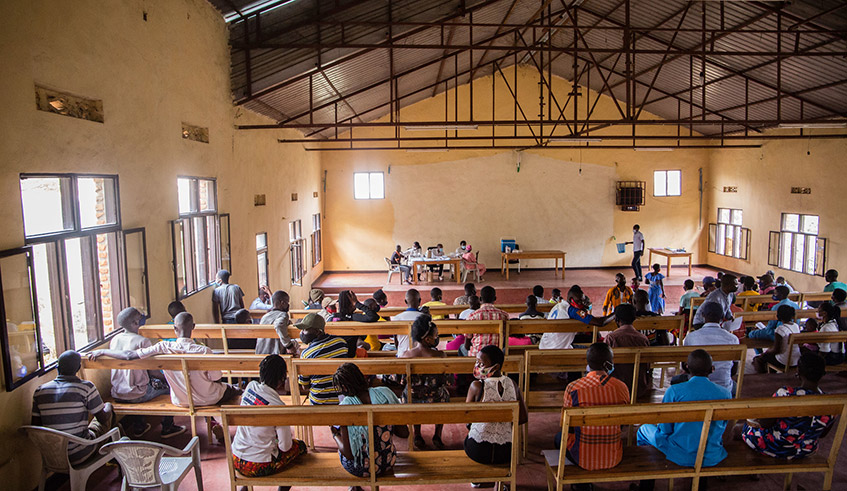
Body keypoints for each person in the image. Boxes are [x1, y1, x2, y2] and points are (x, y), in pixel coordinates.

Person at [89, 312, 242, 443]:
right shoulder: (204, 351)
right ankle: (225, 424)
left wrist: (102, 352)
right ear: (193, 327)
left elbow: (130, 355)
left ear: (174, 329)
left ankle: (214, 422)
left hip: (179, 400)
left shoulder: (163, 346)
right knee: (232, 390)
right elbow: (216, 377)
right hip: (208, 398)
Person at [636, 350, 731, 489]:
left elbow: (665, 429)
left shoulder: (675, 391)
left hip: (681, 454)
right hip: (712, 453)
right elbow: (722, 426)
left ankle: (646, 485)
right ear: (712, 369)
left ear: (686, 367)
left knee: (643, 430)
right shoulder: (725, 393)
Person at [741, 354, 835, 460]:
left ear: (798, 372)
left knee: (742, 428)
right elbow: (822, 434)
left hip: (775, 447)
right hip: (805, 450)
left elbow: (765, 423)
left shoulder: (786, 394)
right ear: (823, 373)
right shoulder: (832, 402)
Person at [107, 307, 183, 439]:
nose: (142, 317)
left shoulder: (115, 340)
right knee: (170, 388)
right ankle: (168, 426)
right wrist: (170, 379)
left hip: (117, 392)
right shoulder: (142, 341)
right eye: (139, 316)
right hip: (137, 394)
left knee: (136, 381)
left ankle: (139, 426)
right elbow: (153, 372)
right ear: (135, 323)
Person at [31, 351, 116, 465]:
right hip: (81, 453)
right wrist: (109, 406)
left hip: (52, 455)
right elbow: (103, 419)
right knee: (109, 414)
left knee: (111, 426)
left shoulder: (40, 391)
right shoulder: (85, 388)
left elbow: (36, 426)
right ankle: (119, 457)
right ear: (78, 368)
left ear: (57, 368)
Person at [231, 355, 307, 482]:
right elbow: (285, 447)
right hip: (259, 464)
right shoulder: (278, 407)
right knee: (300, 447)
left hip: (235, 457)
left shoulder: (250, 387)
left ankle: (245, 488)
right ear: (282, 379)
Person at [559, 343, 630, 480]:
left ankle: (582, 484)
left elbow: (567, 426)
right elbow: (623, 422)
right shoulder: (621, 387)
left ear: (588, 363)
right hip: (614, 456)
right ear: (608, 364)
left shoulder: (573, 388)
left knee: (559, 439)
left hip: (582, 458)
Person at [331, 363, 409, 485]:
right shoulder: (385, 393)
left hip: (361, 468)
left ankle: (353, 486)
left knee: (341, 449)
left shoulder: (345, 407)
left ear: (344, 388)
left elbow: (349, 454)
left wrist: (335, 435)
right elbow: (404, 433)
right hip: (387, 461)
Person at [464, 346, 528, 471]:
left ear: (496, 367)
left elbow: (467, 418)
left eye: (481, 363)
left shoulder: (476, 386)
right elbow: (523, 418)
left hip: (478, 450)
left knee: (468, 439)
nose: (477, 366)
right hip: (506, 451)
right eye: (476, 362)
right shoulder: (513, 385)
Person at [398, 315, 451, 450]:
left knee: (410, 392)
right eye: (436, 335)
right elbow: (447, 381)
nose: (437, 338)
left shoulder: (406, 355)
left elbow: (402, 381)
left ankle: (417, 434)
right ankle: (437, 435)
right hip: (436, 398)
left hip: (412, 399)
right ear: (427, 339)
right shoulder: (440, 356)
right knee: (444, 393)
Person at [682, 302, 740, 394]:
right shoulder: (733, 339)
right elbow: (733, 371)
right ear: (722, 317)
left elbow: (685, 366)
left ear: (703, 315)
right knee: (735, 387)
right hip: (723, 388)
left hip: (697, 387)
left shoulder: (691, 337)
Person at [297, 313, 350, 405]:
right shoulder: (341, 342)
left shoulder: (306, 354)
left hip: (319, 401)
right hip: (343, 399)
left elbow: (305, 386)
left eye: (305, 329)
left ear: (317, 331)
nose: (302, 333)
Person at [541, 285, 613, 350]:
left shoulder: (559, 305)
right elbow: (600, 322)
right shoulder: (573, 311)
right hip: (558, 348)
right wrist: (615, 313)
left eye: (582, 301)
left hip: (544, 345)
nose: (581, 303)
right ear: (571, 300)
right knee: (591, 351)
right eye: (579, 301)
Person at [604, 304, 650, 399]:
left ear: (616, 320)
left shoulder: (611, 338)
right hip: (638, 388)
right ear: (634, 319)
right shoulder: (643, 339)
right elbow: (647, 365)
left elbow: (604, 364)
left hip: (615, 388)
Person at [752, 305, 802, 373]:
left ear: (778, 316)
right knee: (767, 357)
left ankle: (763, 376)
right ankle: (771, 371)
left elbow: (776, 350)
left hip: (783, 361)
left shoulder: (780, 329)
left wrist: (766, 352)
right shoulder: (796, 326)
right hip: (796, 360)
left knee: (759, 359)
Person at [331, 290, 380, 357]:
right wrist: (357, 303)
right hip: (350, 356)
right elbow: (373, 316)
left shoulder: (332, 318)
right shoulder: (352, 317)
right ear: (350, 303)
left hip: (335, 355)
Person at [465, 286, 509, 356]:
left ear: (480, 299)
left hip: (477, 355)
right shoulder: (504, 315)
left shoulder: (472, 316)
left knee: (461, 348)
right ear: (495, 298)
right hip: (496, 354)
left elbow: (467, 346)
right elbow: (505, 339)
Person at [256, 291, 298, 355]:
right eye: (287, 302)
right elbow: (279, 325)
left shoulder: (265, 316)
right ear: (282, 303)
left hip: (261, 352)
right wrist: (289, 346)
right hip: (274, 354)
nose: (288, 305)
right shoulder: (283, 314)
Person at [391, 289, 424, 356]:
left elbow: (396, 341)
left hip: (402, 355)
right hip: (421, 355)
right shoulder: (424, 317)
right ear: (420, 301)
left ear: (406, 301)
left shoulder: (397, 318)